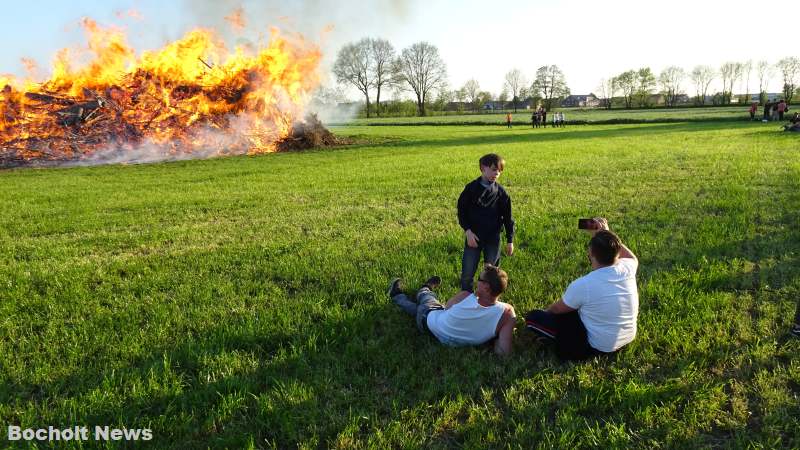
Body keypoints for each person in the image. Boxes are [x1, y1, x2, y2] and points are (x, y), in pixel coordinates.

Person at [525, 218, 639, 361]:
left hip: (597, 346)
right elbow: (630, 256)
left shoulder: (584, 284)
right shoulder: (628, 267)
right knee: (579, 308)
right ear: (616, 251)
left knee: (533, 318)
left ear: (591, 254)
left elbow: (556, 310)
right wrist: (605, 234)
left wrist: (545, 314)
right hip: (627, 337)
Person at [388, 264, 517, 355]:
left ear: (486, 287)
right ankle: (403, 296)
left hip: (429, 321)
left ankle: (420, 289)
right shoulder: (507, 314)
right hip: (446, 335)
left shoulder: (465, 297)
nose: (477, 282)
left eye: (479, 279)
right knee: (418, 310)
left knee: (427, 300)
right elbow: (503, 351)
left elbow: (447, 308)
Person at [457, 153, 515, 292]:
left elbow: (508, 217)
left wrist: (510, 240)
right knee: (467, 274)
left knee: (491, 274)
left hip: (493, 239)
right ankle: (466, 299)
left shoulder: (501, 193)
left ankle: (488, 300)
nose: (497, 173)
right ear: (483, 168)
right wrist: (468, 232)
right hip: (474, 238)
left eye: (500, 171)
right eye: (494, 169)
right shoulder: (471, 189)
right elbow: (462, 212)